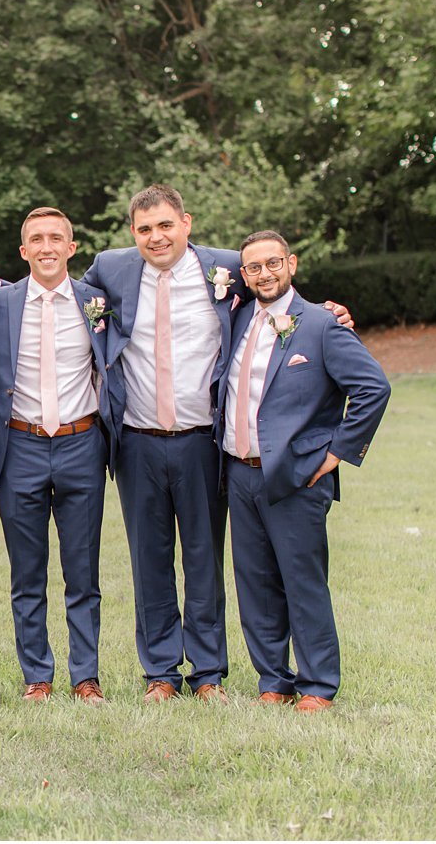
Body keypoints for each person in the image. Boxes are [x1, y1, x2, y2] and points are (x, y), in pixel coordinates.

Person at [82, 184, 350, 704]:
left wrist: (327, 311)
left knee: (204, 557)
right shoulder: (111, 268)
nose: (156, 237)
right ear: (132, 233)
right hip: (135, 440)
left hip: (203, 441)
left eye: (165, 225)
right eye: (144, 229)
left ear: (187, 223)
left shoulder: (226, 268)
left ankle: (207, 673)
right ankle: (160, 672)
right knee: (149, 560)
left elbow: (278, 290)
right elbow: (62, 291)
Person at [218, 230, 389, 711]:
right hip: (240, 472)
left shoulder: (320, 324)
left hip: (297, 475)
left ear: (290, 263)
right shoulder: (236, 321)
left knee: (302, 581)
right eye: (253, 267)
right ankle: (273, 681)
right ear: (244, 275)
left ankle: (317, 686)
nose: (264, 273)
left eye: (273, 263)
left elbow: (373, 387)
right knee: (255, 583)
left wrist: (336, 453)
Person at [0, 207, 114, 703]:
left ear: (71, 246)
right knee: (27, 572)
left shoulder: (97, 303)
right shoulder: (0, 303)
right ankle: (37, 675)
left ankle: (86, 676)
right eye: (36, 239)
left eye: (55, 238)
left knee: (83, 570)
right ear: (23, 251)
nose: (46, 247)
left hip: (82, 442)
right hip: (20, 443)